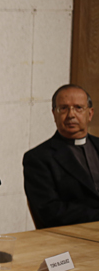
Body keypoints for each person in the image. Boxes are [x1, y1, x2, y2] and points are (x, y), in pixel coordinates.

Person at [23, 84, 99, 228]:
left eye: (78, 108)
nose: (71, 115)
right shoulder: (38, 158)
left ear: (89, 114)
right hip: (71, 236)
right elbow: (50, 212)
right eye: (63, 108)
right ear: (54, 114)